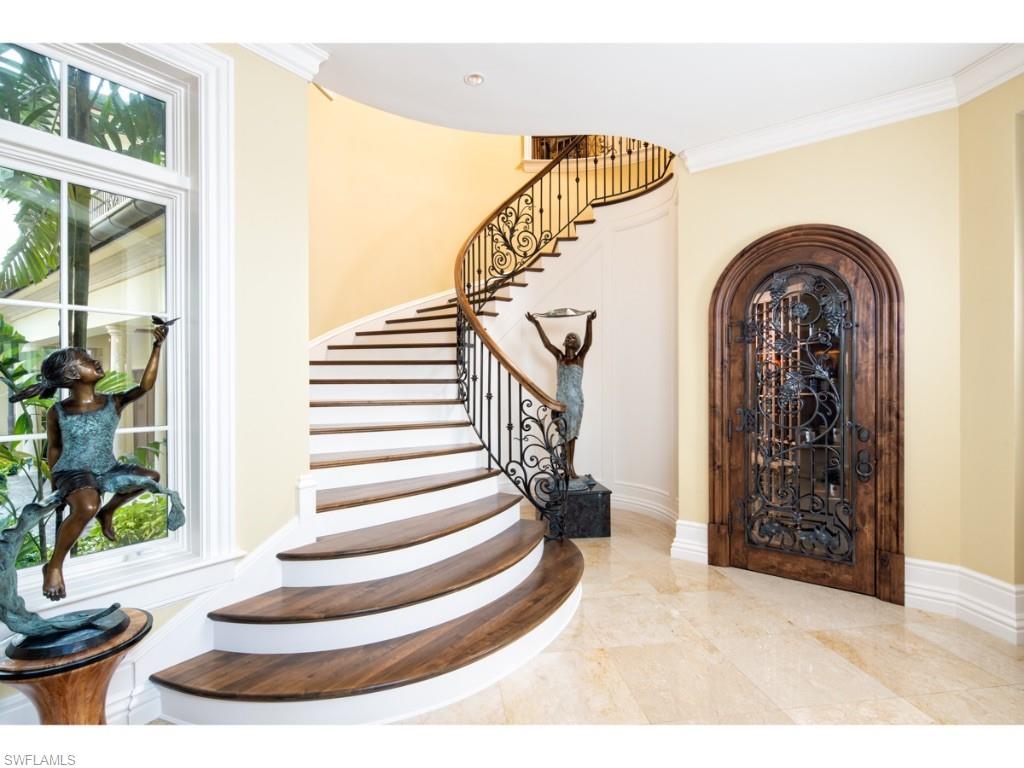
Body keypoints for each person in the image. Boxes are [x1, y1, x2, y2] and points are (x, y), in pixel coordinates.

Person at [9, 323, 184, 601]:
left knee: (150, 478)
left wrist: (157, 346)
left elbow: (145, 385)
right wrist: (56, 479)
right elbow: (54, 447)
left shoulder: (112, 402)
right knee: (88, 504)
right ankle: (54, 565)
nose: (96, 361)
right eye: (88, 361)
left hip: (107, 466)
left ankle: (108, 512)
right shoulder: (58, 411)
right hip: (73, 471)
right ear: (73, 374)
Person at [525, 310, 597, 480]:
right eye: (568, 336)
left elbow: (588, 344)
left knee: (571, 436)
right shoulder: (559, 357)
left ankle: (570, 466)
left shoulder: (580, 358)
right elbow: (546, 344)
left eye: (573, 337)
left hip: (575, 402)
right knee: (563, 434)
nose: (569, 338)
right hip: (561, 401)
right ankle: (565, 465)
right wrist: (536, 324)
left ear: (576, 344)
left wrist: (589, 322)